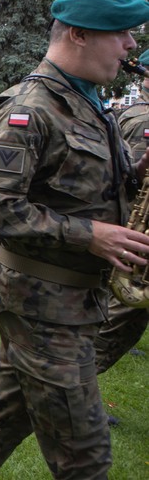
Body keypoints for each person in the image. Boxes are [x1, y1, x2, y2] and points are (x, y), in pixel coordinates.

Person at [0, 0, 149, 479]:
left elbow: (81, 187)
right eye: (120, 33)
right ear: (79, 35)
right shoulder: (30, 107)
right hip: (42, 301)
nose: (130, 45)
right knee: (86, 458)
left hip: (67, 298)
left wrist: (139, 173)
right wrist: (89, 235)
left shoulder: (89, 102)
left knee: (1, 423)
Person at [94, 47, 149, 387]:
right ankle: (75, 384)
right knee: (120, 312)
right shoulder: (140, 117)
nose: (129, 42)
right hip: (130, 231)